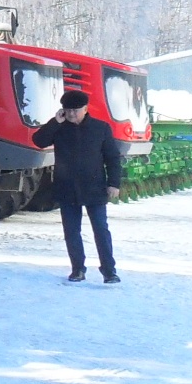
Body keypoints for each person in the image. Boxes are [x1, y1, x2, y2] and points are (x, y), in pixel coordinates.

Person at [31, 88, 123, 283]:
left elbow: (113, 158)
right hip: (67, 187)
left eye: (76, 110)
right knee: (71, 231)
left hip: (95, 187)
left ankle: (109, 271)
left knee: (101, 229)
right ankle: (77, 269)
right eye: (67, 110)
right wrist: (55, 122)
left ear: (85, 109)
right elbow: (38, 141)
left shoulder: (101, 128)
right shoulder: (59, 128)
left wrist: (114, 183)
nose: (71, 114)